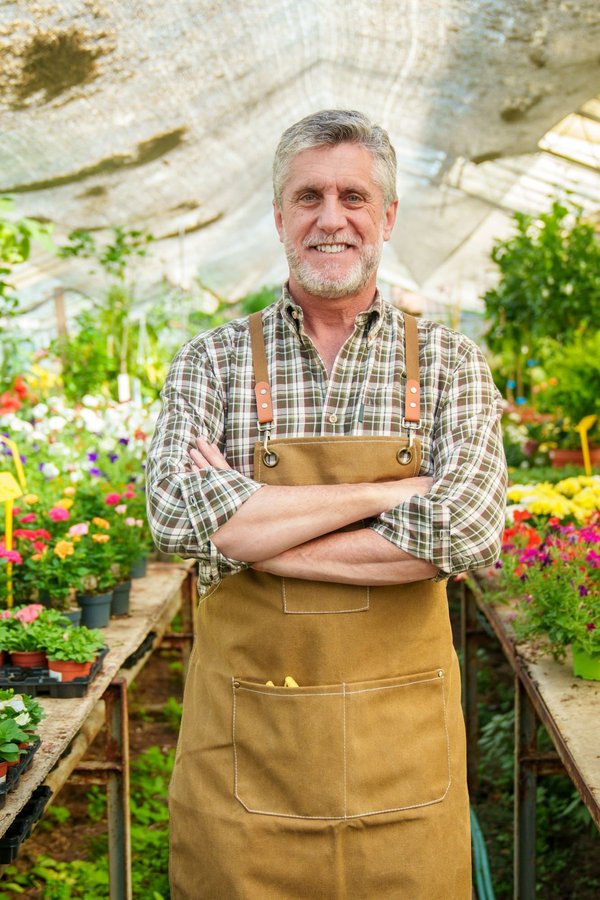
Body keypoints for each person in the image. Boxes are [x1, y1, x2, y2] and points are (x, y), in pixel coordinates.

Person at [146, 109, 507, 899]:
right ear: (280, 217)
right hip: (245, 773)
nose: (331, 218)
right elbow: (178, 517)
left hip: (403, 778)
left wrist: (247, 530)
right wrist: (388, 495)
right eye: (308, 197)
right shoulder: (210, 362)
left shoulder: (451, 366)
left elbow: (466, 529)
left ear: (387, 216)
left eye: (353, 195)